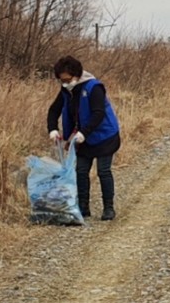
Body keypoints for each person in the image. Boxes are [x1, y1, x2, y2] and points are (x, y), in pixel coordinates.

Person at [46, 55, 121, 220]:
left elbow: (98, 113)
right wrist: (52, 129)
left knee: (103, 171)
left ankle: (108, 208)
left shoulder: (94, 87)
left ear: (77, 75)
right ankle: (83, 207)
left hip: (104, 135)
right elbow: (54, 110)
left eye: (67, 79)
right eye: (61, 80)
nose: (65, 83)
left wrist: (83, 133)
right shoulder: (66, 91)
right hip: (81, 138)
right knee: (81, 170)